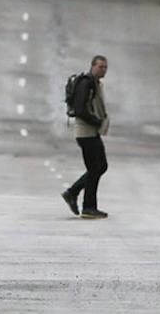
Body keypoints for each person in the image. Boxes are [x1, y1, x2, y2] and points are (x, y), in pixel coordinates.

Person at [62, 54, 110, 219]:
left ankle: (74, 194)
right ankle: (87, 206)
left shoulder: (95, 83)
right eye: (100, 67)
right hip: (85, 132)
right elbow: (80, 109)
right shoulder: (86, 83)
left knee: (100, 166)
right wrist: (96, 121)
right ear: (92, 66)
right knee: (96, 168)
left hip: (91, 132)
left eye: (105, 67)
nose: (103, 70)